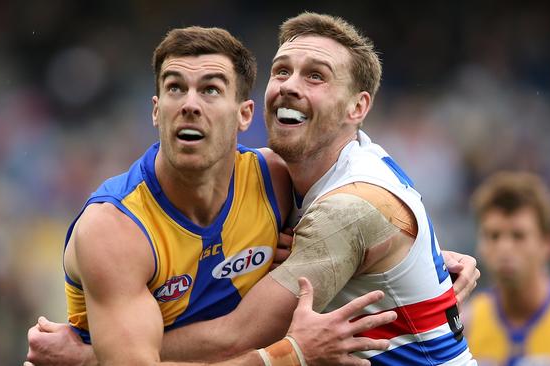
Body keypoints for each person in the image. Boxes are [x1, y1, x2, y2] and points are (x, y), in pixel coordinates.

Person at [26, 17, 480, 366]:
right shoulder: (116, 229)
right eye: (282, 71)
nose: (189, 104)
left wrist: (91, 357)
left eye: (316, 76)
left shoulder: (288, 186)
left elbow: (241, 334)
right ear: (155, 110)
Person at [463, 171, 550, 365]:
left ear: (548, 243)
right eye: (493, 236)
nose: (504, 248)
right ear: (480, 245)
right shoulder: (466, 325)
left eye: (518, 235)